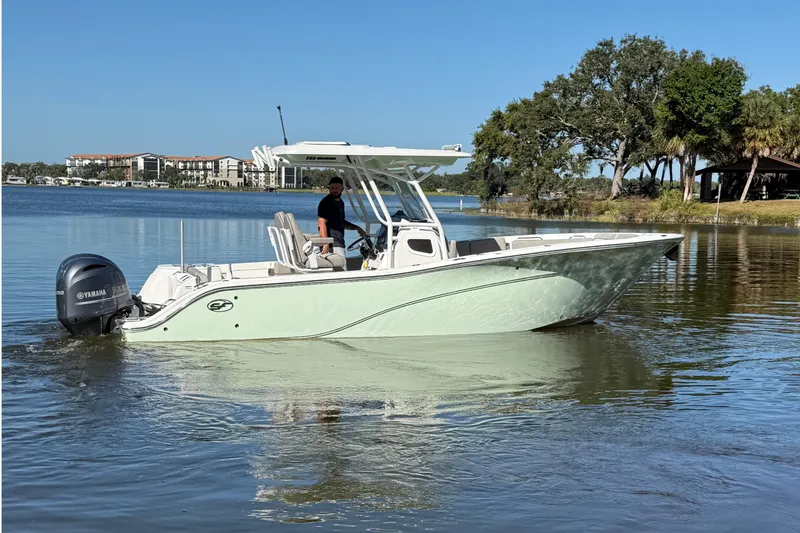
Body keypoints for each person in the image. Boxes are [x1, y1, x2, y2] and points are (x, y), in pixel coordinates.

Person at [317, 176, 366, 266]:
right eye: (333, 188)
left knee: (341, 268)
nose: (335, 190)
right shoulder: (325, 203)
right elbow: (321, 224)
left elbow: (341, 222)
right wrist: (325, 243)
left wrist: (357, 228)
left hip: (340, 243)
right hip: (332, 245)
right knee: (340, 270)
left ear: (342, 189)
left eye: (338, 188)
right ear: (329, 188)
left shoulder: (340, 203)